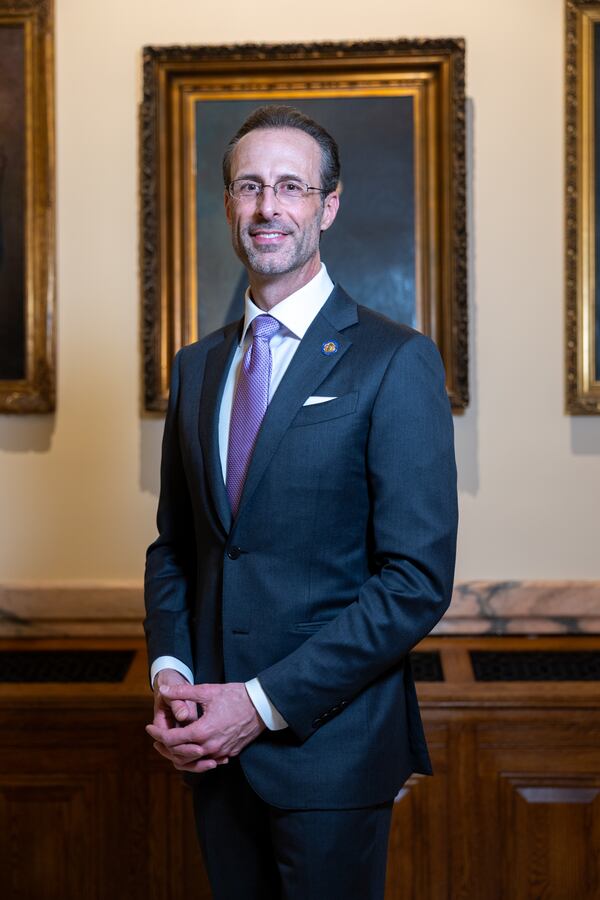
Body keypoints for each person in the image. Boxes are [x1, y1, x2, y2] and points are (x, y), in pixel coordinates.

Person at [144, 105, 458, 900]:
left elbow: (415, 581)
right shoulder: (196, 368)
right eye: (249, 186)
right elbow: (177, 548)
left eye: (290, 186)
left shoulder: (396, 361)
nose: (267, 207)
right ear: (227, 205)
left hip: (331, 750)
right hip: (211, 748)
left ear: (329, 204)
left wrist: (259, 703)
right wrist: (174, 677)